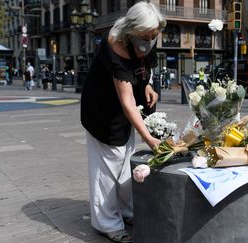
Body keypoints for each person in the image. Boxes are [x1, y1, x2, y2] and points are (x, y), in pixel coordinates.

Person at [80, 2, 165, 242]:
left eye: (153, 36)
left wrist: (147, 85)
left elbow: (142, 67)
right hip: (103, 113)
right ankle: (107, 223)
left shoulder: (146, 37)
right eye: (146, 36)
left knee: (126, 160)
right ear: (132, 30)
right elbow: (127, 102)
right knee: (107, 168)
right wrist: (149, 138)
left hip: (124, 111)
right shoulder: (116, 46)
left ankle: (127, 212)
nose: (149, 41)